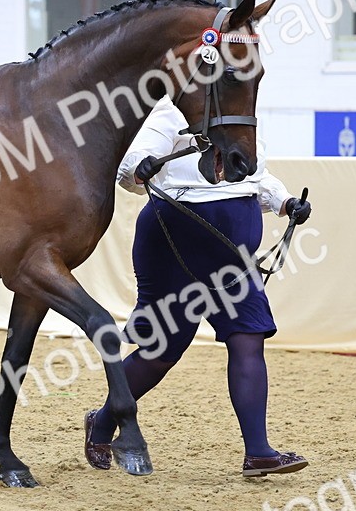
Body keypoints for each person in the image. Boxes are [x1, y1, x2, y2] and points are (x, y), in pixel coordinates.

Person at [83, 97, 312, 477]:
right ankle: (105, 421)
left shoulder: (240, 119)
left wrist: (285, 202)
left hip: (231, 257)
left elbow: (256, 175)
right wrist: (139, 170)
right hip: (176, 241)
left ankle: (258, 452)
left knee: (248, 337)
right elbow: (129, 168)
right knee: (163, 350)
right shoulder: (171, 113)